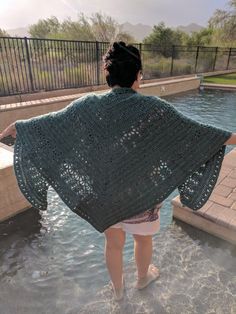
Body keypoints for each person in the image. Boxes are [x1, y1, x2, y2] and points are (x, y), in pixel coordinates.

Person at [0, 41, 236, 302]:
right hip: (143, 195)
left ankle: (118, 291)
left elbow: (52, 124)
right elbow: (198, 134)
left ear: (107, 75)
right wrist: (231, 137)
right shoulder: (156, 109)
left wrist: (20, 127)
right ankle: (143, 278)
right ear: (138, 75)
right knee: (143, 241)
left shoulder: (87, 106)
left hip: (105, 195)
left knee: (113, 244)